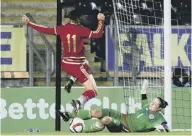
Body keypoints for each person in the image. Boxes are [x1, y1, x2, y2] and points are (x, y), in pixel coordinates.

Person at [22, 10, 105, 113]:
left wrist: (29, 23)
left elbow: (45, 29)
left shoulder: (62, 29)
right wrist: (101, 21)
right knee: (92, 91)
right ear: (78, 20)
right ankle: (78, 102)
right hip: (76, 65)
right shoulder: (81, 30)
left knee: (85, 63)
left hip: (66, 63)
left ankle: (71, 81)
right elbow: (98, 34)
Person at [58, 80, 170, 133]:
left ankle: (82, 131)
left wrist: (161, 128)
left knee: (106, 120)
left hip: (125, 128)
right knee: (97, 112)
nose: (152, 104)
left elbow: (165, 127)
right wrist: (144, 88)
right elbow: (143, 95)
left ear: (159, 108)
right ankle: (67, 115)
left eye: (155, 104)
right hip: (123, 117)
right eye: (152, 102)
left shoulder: (158, 116)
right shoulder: (147, 106)